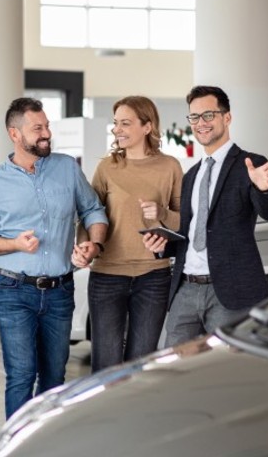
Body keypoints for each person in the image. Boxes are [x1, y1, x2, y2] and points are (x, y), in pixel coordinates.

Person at [0, 97, 108, 419]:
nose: (46, 134)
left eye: (46, 126)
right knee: (21, 375)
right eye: (38, 128)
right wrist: (13, 243)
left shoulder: (67, 168)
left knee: (55, 378)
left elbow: (93, 210)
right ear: (14, 134)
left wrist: (93, 245)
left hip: (60, 290)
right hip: (14, 291)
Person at [143, 85, 268, 347]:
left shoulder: (249, 164)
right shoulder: (192, 175)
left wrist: (263, 188)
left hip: (230, 293)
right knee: (176, 370)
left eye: (208, 115)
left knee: (228, 371)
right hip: (185, 289)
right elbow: (190, 234)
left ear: (226, 118)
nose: (200, 123)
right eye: (194, 117)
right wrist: (162, 246)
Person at [76, 95, 182, 373]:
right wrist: (84, 246)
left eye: (125, 123)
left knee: (142, 365)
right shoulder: (107, 168)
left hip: (154, 276)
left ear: (147, 127)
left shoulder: (170, 166)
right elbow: (89, 213)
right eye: (115, 123)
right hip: (107, 276)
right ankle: (104, 417)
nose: (117, 129)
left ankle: (137, 417)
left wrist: (161, 213)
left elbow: (184, 222)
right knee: (106, 363)